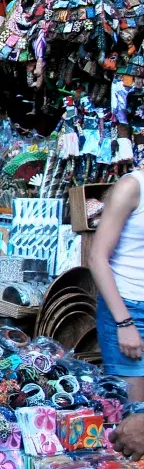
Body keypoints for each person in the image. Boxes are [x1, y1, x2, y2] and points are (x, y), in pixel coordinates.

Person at [90, 168, 144, 402]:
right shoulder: (131, 186)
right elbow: (97, 258)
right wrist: (125, 322)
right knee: (132, 419)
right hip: (128, 308)